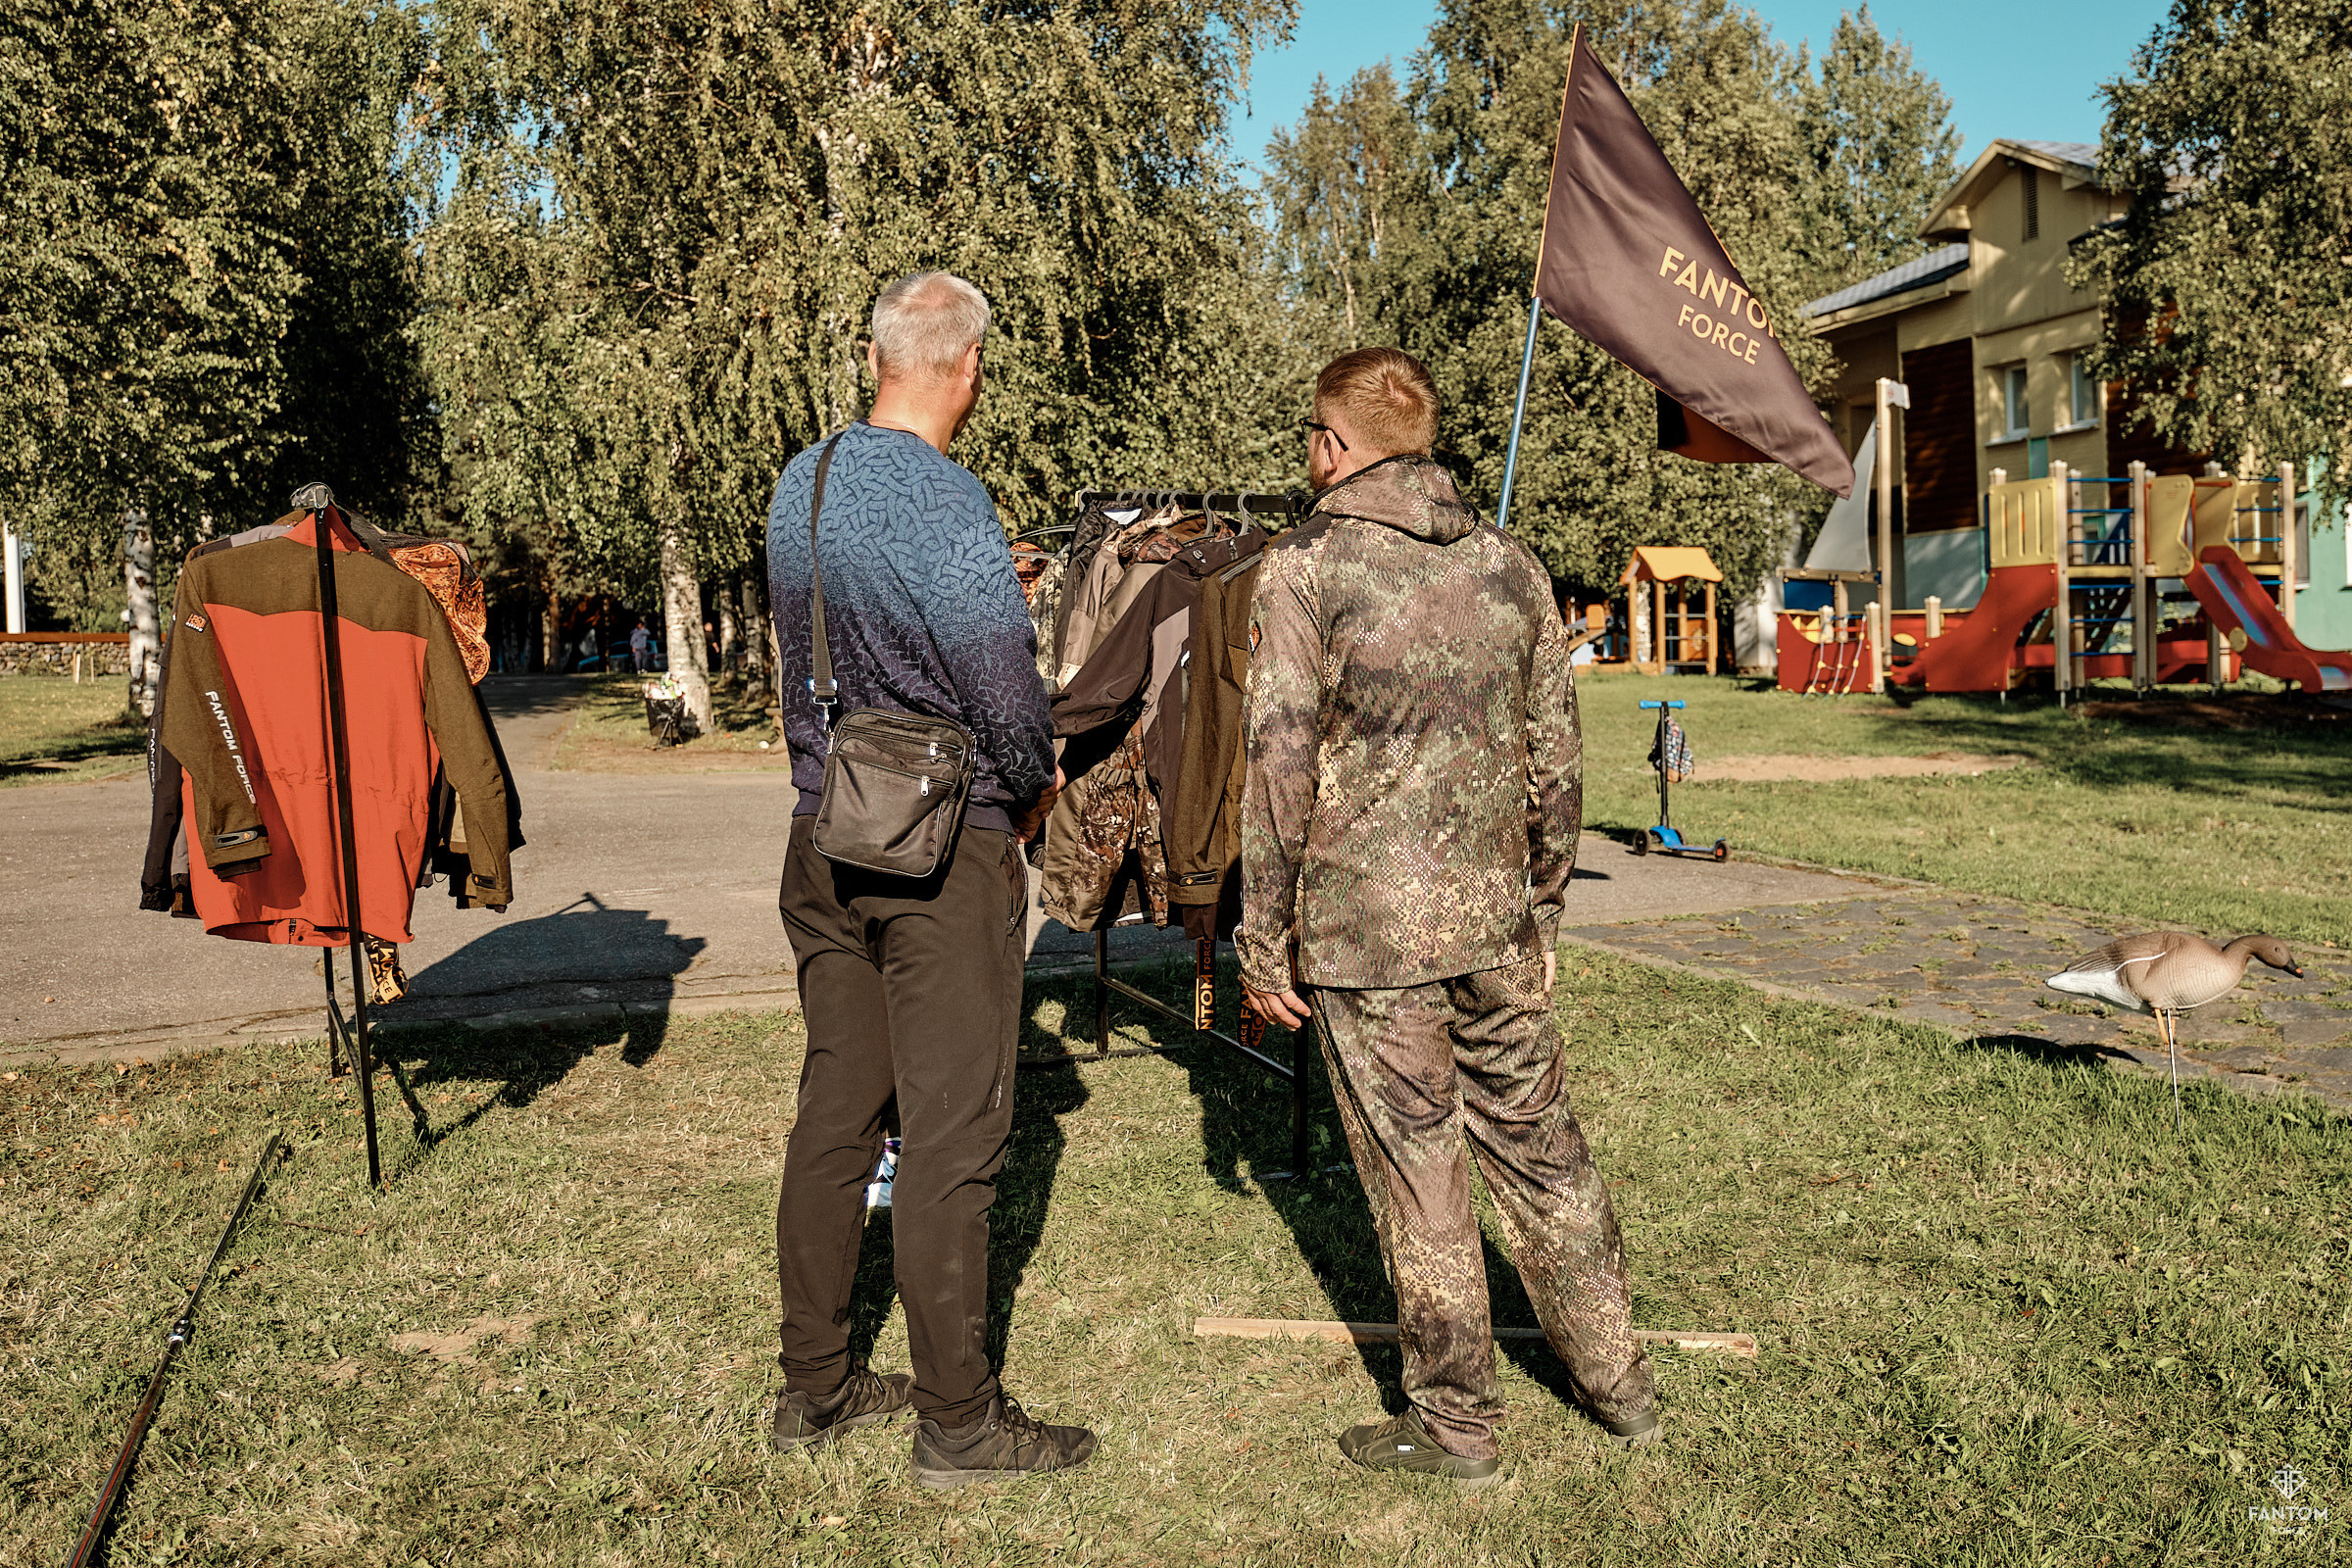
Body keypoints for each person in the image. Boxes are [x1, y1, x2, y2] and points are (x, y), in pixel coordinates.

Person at [1237, 347, 1657, 1488]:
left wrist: (1261, 934)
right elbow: (1556, 761)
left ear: (1333, 444)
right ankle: (1619, 1380)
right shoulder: (1512, 566)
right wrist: (1547, 908)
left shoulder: (1305, 566)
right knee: (1540, 1142)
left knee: (1420, 1163)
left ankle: (1457, 1425)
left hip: (1370, 936)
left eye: (1310, 439)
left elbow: (1275, 762)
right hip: (1496, 921)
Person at [762, 270, 1090, 1488]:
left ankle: (817, 1385)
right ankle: (959, 1423)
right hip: (941, 849)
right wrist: (1037, 776)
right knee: (953, 1130)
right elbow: (1001, 679)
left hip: (821, 827)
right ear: (970, 369)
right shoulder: (953, 505)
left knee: (838, 1110)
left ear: (874, 355)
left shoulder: (809, 478)